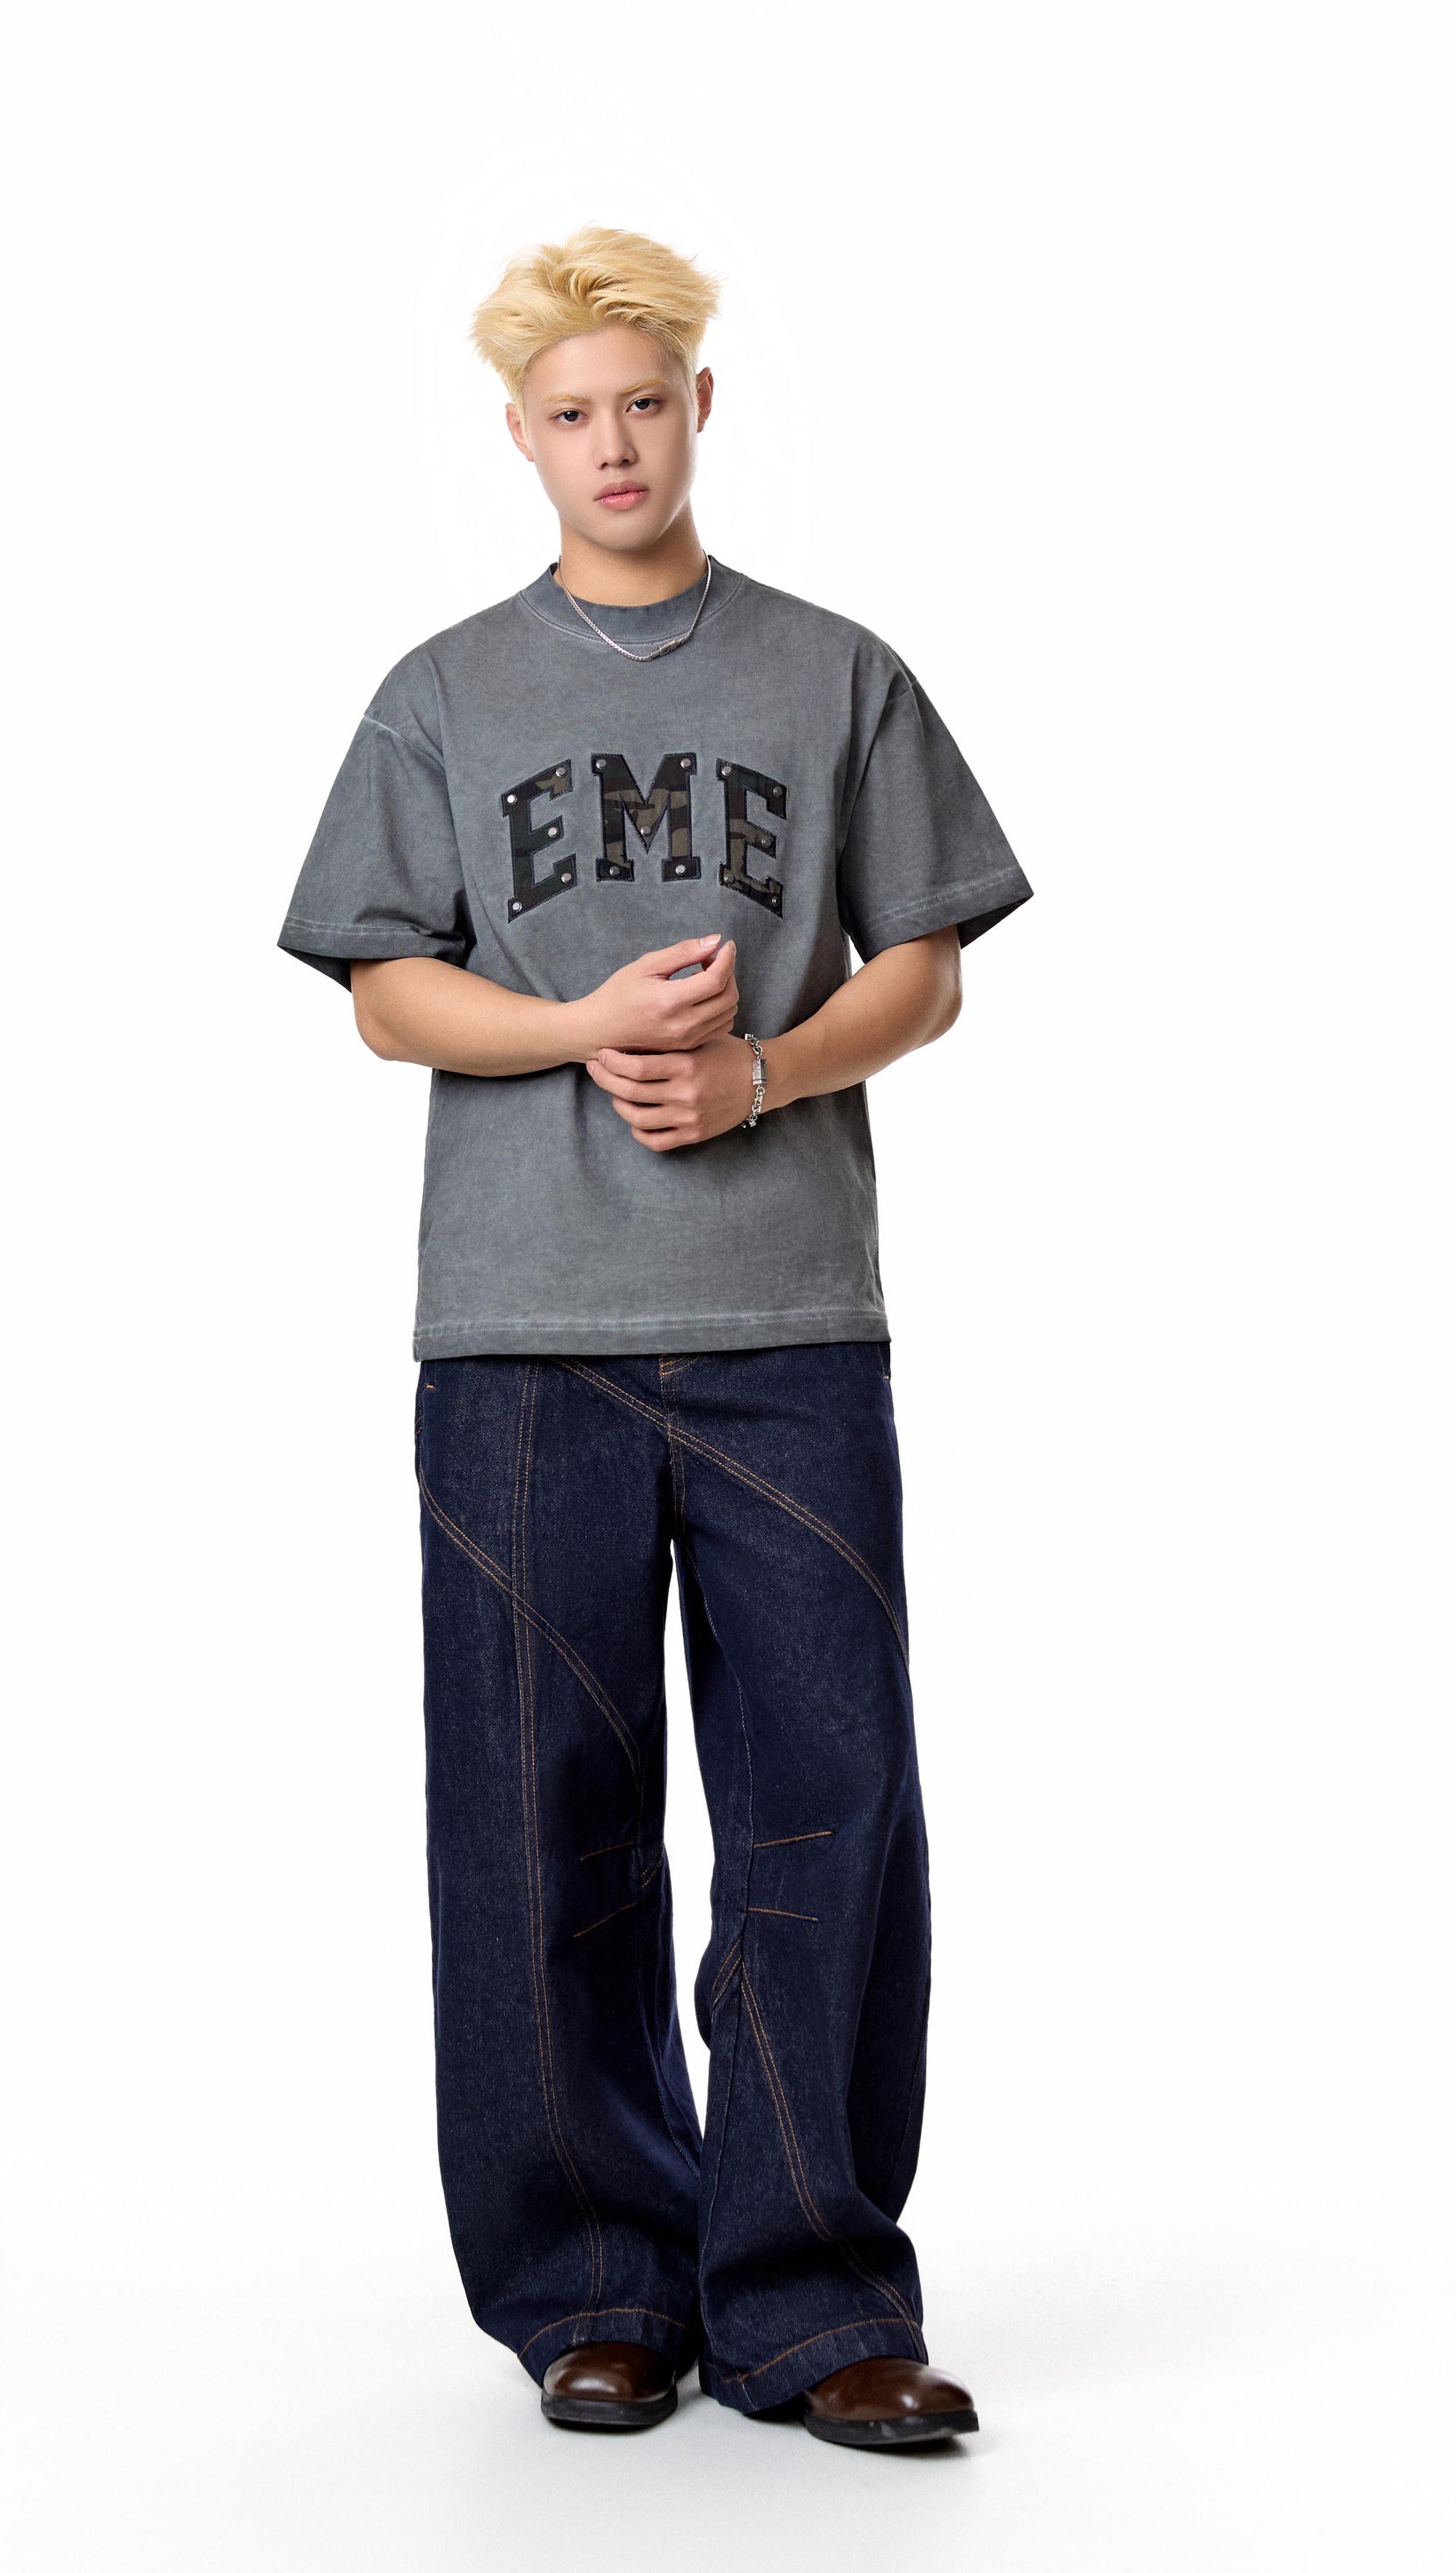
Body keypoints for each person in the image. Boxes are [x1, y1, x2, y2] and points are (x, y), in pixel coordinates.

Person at [276, 226, 1033, 2449]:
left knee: (827, 1800)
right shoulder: (443, 693)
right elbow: (382, 989)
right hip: (521, 1325)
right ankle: (593, 2283)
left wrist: (763, 1071)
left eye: (641, 400)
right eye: (568, 413)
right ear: (517, 436)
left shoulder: (835, 672)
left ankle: (812, 2294)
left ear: (702, 404)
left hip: (789, 1314)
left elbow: (927, 964)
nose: (610, 444)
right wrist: (583, 1022)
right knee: (538, 1816)